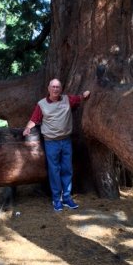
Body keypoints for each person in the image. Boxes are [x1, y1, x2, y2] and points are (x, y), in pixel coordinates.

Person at [23, 79, 90, 211]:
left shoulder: (67, 100)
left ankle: (66, 198)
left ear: (61, 89)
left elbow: (79, 98)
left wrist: (85, 94)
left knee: (67, 169)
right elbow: (34, 119)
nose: (55, 89)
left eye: (58, 87)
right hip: (51, 142)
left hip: (66, 141)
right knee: (54, 171)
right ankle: (56, 199)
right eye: (53, 87)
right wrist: (27, 128)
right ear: (49, 89)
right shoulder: (42, 104)